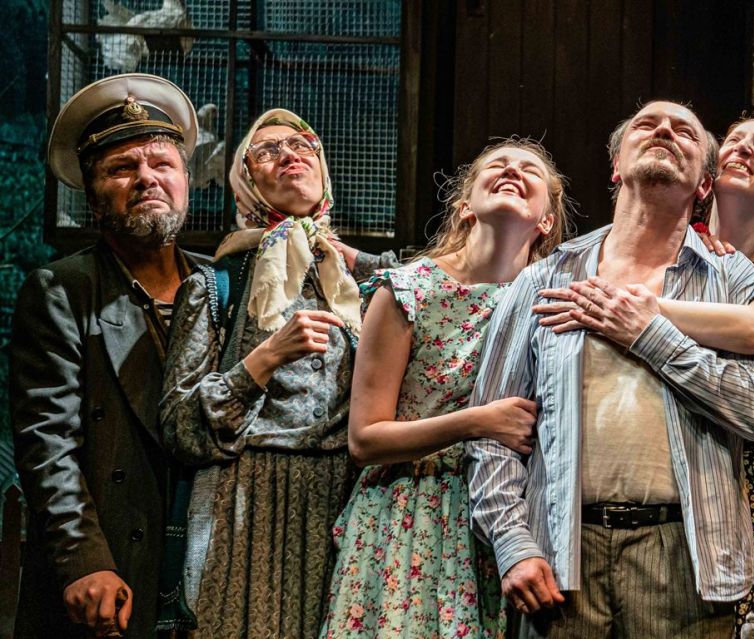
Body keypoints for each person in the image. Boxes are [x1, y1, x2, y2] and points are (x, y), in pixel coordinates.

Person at [465, 100, 754, 638]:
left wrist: (646, 332)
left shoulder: (734, 279)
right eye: (647, 124)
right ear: (616, 166)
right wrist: (513, 543)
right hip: (562, 554)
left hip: (685, 557)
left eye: (684, 131)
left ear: (704, 184)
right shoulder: (546, 279)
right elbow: (491, 430)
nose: (664, 131)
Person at [534, 114, 754, 628]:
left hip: (735, 487)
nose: (743, 149)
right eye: (734, 140)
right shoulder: (675, 245)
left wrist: (636, 310)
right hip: (588, 526)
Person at [318, 138, 569, 638]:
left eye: (530, 170)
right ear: (465, 205)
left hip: (508, 513)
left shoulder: (552, 299)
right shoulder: (408, 290)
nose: (512, 171)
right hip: (412, 511)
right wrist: (477, 422)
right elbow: (364, 439)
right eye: (497, 165)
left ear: (546, 220)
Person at [160, 108, 385, 637]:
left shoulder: (360, 285)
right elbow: (180, 427)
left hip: (347, 497)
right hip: (249, 502)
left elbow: (434, 288)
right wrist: (265, 358)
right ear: (245, 183)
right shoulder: (216, 287)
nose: (289, 154)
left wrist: (341, 252)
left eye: (303, 145)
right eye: (266, 151)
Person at [11, 73, 201, 637]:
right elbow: (47, 441)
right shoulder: (62, 290)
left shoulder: (220, 287)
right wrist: (84, 560)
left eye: (162, 163)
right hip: (110, 570)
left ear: (186, 181)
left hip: (204, 562)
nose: (147, 178)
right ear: (94, 199)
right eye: (122, 168)